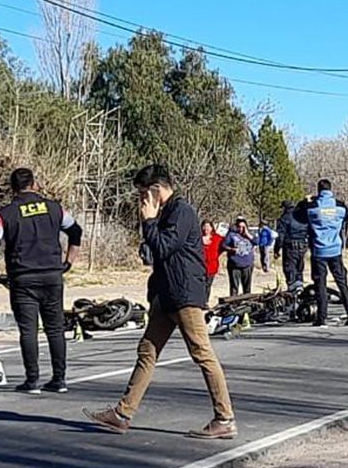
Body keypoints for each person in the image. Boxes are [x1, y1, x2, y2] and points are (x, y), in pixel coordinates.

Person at [83, 164, 237, 439]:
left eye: (143, 193)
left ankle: (224, 418)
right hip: (166, 296)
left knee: (202, 353)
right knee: (147, 350)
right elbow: (153, 253)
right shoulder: (166, 212)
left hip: (184, 295)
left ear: (156, 190)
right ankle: (122, 414)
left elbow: (163, 247)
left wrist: (149, 221)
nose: (141, 199)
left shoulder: (181, 211)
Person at [0, 168, 83, 394]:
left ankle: (32, 380)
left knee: (28, 331)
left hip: (23, 278)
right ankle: (59, 379)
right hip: (52, 275)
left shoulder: (4, 214)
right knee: (55, 329)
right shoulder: (55, 208)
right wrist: (68, 262)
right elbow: (76, 231)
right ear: (34, 184)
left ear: (12, 188)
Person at [302, 179, 348, 326]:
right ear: (330, 189)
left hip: (319, 250)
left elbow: (298, 215)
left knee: (320, 284)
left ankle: (321, 317)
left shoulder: (312, 207)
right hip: (335, 249)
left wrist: (306, 200)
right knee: (342, 282)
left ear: (318, 190)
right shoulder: (340, 206)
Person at [274, 199, 309, 289]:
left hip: (290, 248)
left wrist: (276, 250)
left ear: (285, 208)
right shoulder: (302, 216)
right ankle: (299, 288)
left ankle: (292, 290)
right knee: (299, 270)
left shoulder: (285, 218)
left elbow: (280, 236)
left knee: (290, 270)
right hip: (303, 247)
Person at [222, 216, 256, 296]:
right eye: (239, 227)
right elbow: (224, 246)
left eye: (243, 227)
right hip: (235, 265)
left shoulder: (250, 235)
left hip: (247, 265)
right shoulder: (231, 235)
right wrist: (231, 249)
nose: (241, 229)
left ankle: (246, 301)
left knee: (247, 288)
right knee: (234, 288)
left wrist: (247, 234)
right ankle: (233, 302)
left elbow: (257, 242)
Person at [200, 220, 223, 303]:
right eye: (204, 226)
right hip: (200, 266)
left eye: (208, 226)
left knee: (208, 285)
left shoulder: (217, 238)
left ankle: (205, 302)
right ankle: (200, 301)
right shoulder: (197, 238)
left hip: (212, 266)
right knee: (200, 285)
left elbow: (225, 245)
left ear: (212, 227)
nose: (206, 228)